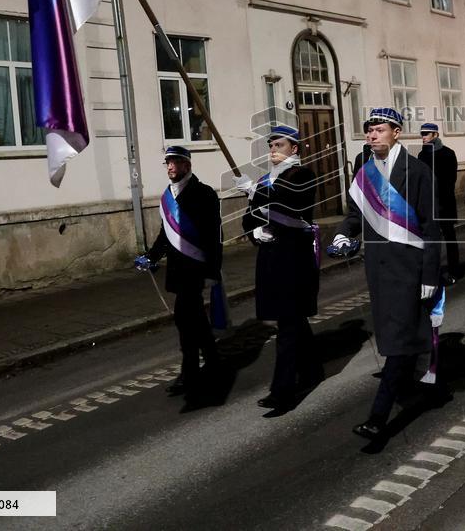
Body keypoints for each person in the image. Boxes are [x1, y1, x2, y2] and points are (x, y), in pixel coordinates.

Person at [330, 108, 442, 441]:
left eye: (379, 129)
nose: (372, 135)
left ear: (396, 132)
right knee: (398, 335)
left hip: (409, 268)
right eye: (369, 130)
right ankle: (420, 385)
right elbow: (355, 216)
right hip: (378, 269)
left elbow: (432, 226)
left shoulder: (417, 171)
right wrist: (342, 234)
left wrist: (430, 275)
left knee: (397, 340)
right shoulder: (364, 173)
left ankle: (378, 419)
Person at [237, 125, 322, 413]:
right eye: (271, 145)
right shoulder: (266, 180)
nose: (273, 149)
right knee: (293, 319)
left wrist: (254, 192)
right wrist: (255, 231)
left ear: (294, 148)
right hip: (271, 259)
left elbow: (290, 203)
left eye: (280, 145)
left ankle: (282, 391)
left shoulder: (302, 175)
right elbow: (249, 218)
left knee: (287, 325)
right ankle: (312, 369)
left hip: (293, 260)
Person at [136, 146, 223, 406]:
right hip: (178, 269)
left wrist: (212, 271)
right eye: (168, 162)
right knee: (196, 320)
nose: (170, 166)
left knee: (185, 321)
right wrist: (152, 256)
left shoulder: (204, 193)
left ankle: (189, 373)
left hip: (195, 269)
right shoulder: (168, 196)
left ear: (187, 165)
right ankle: (213, 361)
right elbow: (166, 234)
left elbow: (214, 237)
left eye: (175, 162)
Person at [417, 122, 460, 276]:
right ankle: (433, 273)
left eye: (426, 134)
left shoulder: (448, 153)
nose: (423, 137)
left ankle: (454, 271)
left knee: (449, 236)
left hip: (444, 203)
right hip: (428, 204)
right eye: (422, 134)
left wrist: (440, 200)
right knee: (430, 240)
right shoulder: (422, 155)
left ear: (435, 135)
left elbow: (451, 180)